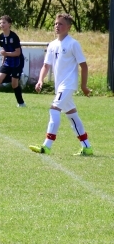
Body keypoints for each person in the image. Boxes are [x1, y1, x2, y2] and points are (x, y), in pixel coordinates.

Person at [29, 13, 93, 156]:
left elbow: (84, 66)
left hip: (68, 85)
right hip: (60, 87)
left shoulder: (73, 44)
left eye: (61, 24)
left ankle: (47, 146)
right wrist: (40, 80)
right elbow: (46, 65)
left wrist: (83, 86)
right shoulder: (52, 45)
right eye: (56, 23)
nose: (57, 26)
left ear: (68, 27)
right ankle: (87, 147)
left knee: (54, 109)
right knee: (72, 115)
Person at [0, 15, 26, 107]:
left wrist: (5, 54)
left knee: (14, 84)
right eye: (0, 23)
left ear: (9, 24)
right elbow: (4, 50)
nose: (1, 24)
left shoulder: (14, 36)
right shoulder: (0, 37)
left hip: (17, 62)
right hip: (8, 61)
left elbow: (17, 53)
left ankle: (21, 103)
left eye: (4, 22)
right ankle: (19, 77)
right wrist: (3, 60)